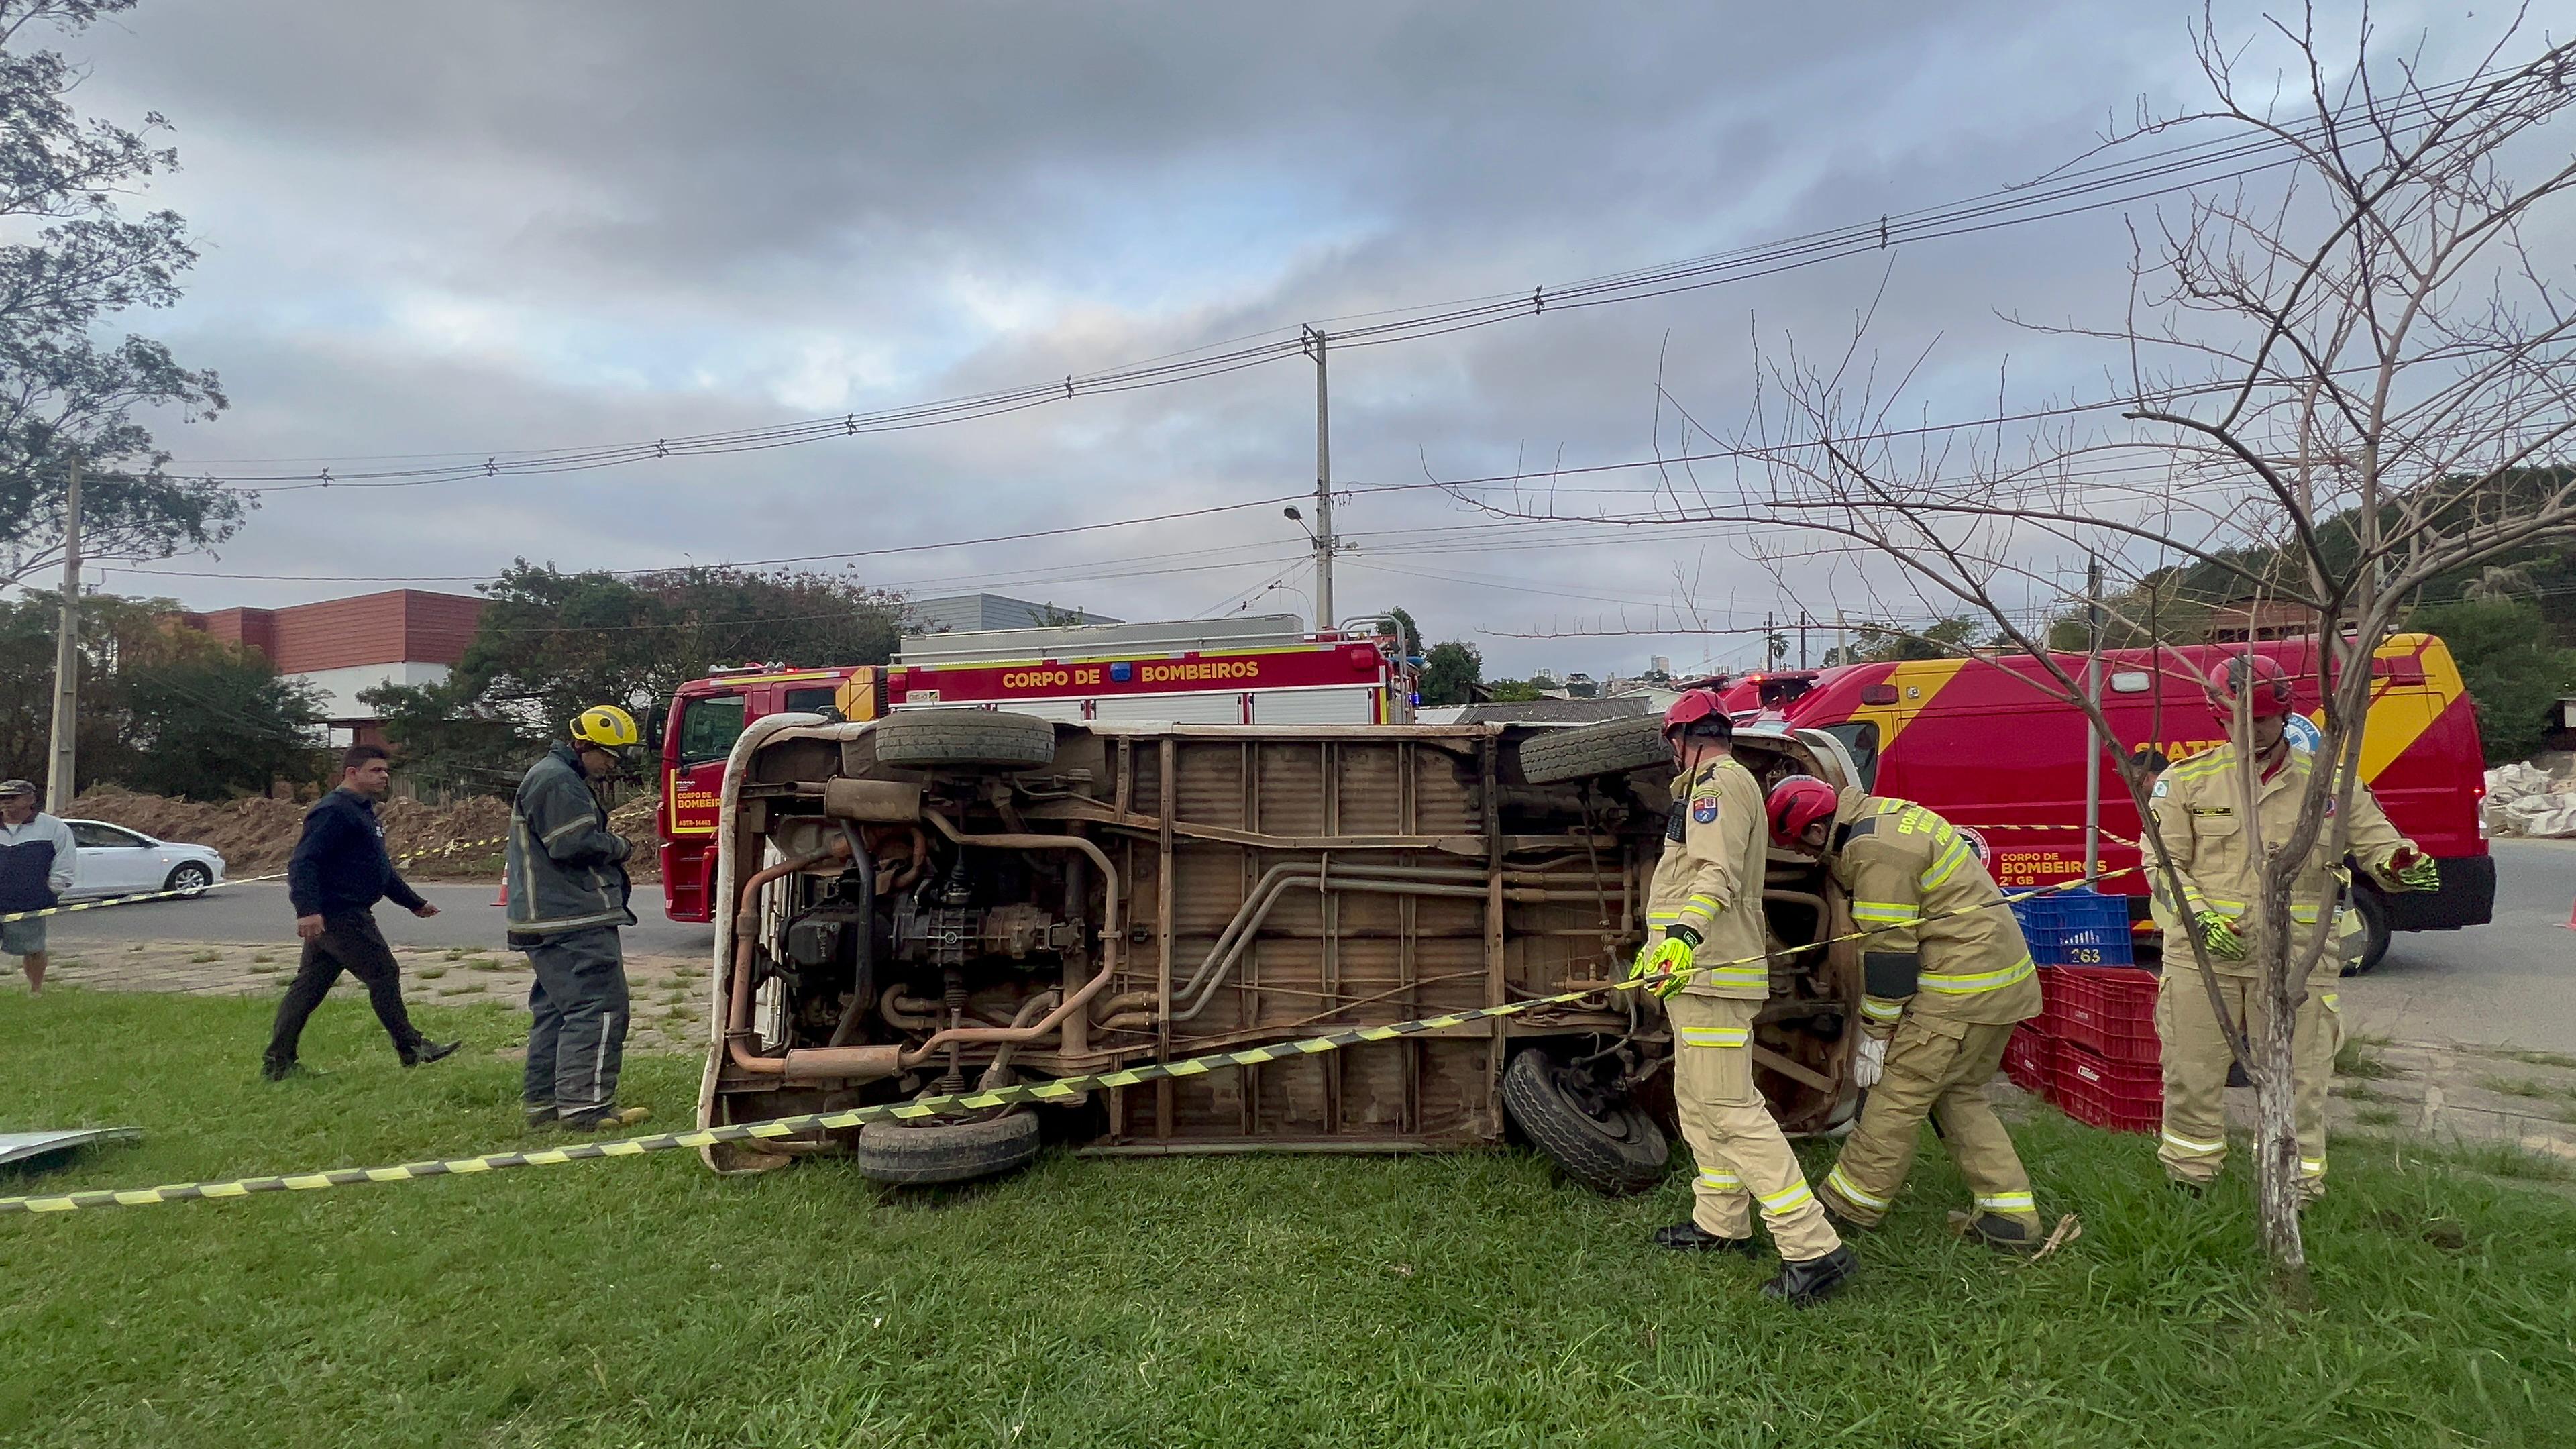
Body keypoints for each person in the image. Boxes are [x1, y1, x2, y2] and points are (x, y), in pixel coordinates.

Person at [2146, 653, 2434, 1202]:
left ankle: (2297, 1190)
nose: (2252, 729)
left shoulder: (2330, 783)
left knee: (2301, 1081)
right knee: (2191, 1074)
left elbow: (2379, 846)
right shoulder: (2186, 783)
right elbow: (2162, 864)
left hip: (2301, 959)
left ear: (2285, 716)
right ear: (2219, 718)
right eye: (2239, 719)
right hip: (2202, 958)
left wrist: (2402, 864)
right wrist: (2199, 917)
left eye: (2263, 719)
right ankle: (2190, 1181)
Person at [1630, 690, 1856, 1306]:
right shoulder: (1716, 786)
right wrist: (1664, 949)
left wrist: (1681, 938)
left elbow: (1715, 874)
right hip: (1697, 973)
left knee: (1729, 1107)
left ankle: (1814, 1249)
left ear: (1679, 740)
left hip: (1711, 970)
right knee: (1697, 1100)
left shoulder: (1715, 787)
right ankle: (1721, 1222)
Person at [1768, 776, 2045, 1251]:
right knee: (1956, 1093)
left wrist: (1876, 1032)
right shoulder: (1885, 814)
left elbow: (1891, 952)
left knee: (1897, 1095)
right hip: (2000, 986)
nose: (1814, 857)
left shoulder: (1874, 853)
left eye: (1804, 847)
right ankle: (2011, 1216)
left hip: (1959, 994)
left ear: (1816, 831)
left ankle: (1849, 1207)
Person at [264, 745, 459, 1080]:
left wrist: (413, 902)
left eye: (385, 770)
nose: (384, 776)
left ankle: (278, 1063)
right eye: (376, 770)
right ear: (351, 773)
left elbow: (378, 869)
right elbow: (303, 862)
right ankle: (411, 1048)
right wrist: (308, 910)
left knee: (309, 987)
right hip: (339, 913)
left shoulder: (363, 810)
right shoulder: (333, 811)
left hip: (344, 911)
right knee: (384, 973)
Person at [507, 704, 649, 1132]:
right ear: (583, 744)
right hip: (571, 918)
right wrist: (621, 845)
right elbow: (572, 844)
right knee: (599, 1009)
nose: (612, 764)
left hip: (546, 918)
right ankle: (587, 1110)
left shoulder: (555, 776)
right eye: (608, 754)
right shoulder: (557, 781)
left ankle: (545, 1106)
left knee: (557, 1011)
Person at [0, 779, 77, 996]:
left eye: (12, 798)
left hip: (29, 903)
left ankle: (35, 991)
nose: (6, 803)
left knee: (33, 949)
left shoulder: (53, 827)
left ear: (30, 800)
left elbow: (65, 861)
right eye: (2, 798)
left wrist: (52, 889)